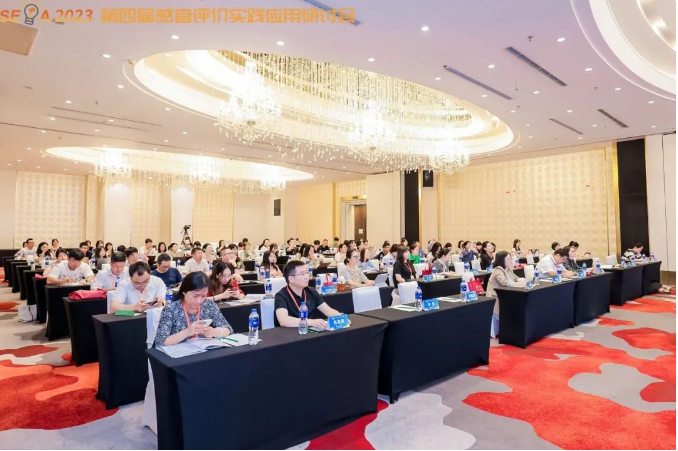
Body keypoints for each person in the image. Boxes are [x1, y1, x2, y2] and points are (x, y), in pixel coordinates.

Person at [154, 271, 234, 346]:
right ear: (184, 291)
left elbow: (228, 329)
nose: (199, 301)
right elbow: (160, 342)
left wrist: (214, 332)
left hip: (204, 352)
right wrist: (187, 332)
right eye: (195, 296)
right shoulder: (171, 309)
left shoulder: (209, 305)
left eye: (203, 296)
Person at [274, 260, 343, 329]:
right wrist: (312, 322)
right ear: (291, 279)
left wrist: (341, 317)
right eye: (302, 274)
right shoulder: (281, 296)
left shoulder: (311, 291)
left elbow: (329, 311)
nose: (307, 277)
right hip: (290, 333)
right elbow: (284, 320)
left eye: (307, 272)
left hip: (310, 332)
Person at [486, 251, 526, 329]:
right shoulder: (498, 270)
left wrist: (522, 281)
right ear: (502, 260)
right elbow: (504, 282)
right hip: (496, 297)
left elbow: (517, 278)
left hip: (506, 295)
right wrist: (519, 284)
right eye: (508, 259)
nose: (511, 260)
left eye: (511, 258)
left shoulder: (508, 269)